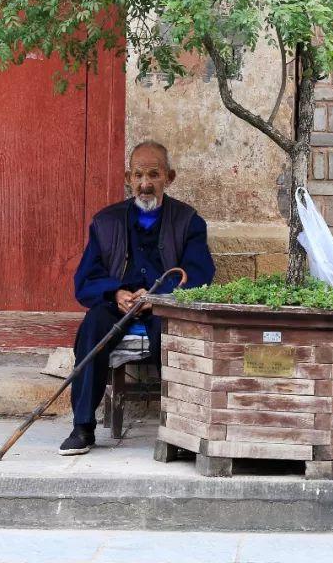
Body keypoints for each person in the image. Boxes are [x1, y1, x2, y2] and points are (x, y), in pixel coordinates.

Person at [59, 141, 215, 455]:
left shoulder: (188, 221)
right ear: (128, 177)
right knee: (93, 328)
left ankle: (181, 427)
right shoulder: (106, 222)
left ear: (169, 178)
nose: (145, 184)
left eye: (154, 175)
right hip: (119, 305)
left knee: (173, 335)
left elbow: (199, 274)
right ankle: (82, 427)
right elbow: (84, 280)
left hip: (164, 306)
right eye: (139, 175)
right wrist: (115, 292)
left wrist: (160, 297)